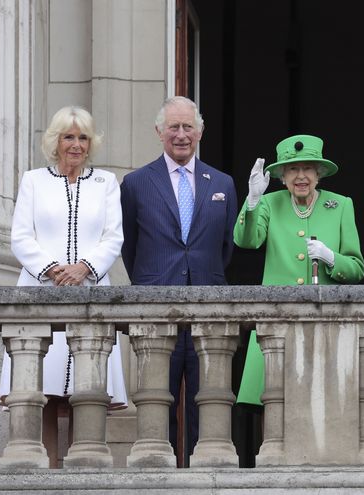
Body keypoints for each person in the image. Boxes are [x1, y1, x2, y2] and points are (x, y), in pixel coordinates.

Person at [0, 105, 127, 467]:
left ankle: (85, 473)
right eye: (69, 137)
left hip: (90, 291)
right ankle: (49, 472)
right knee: (45, 389)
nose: (76, 144)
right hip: (42, 291)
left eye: (82, 137)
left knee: (86, 391)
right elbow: (21, 237)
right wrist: (53, 269)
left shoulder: (105, 183)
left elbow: (113, 237)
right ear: (55, 141)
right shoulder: (33, 181)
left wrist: (84, 267)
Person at [120, 96, 238, 465]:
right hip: (156, 310)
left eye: (188, 127)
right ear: (160, 132)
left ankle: (204, 478)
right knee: (157, 401)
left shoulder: (222, 183)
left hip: (208, 309)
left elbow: (226, 246)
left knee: (208, 401)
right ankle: (160, 476)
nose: (182, 134)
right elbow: (129, 245)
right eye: (174, 127)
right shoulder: (136, 183)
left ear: (200, 132)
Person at [234, 133, 364, 409]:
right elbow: (247, 241)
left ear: (319, 173)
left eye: (308, 168)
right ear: (283, 175)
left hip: (324, 322)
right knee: (273, 401)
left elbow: (356, 269)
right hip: (276, 321)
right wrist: (253, 200)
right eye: (293, 169)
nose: (301, 176)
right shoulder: (271, 203)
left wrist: (331, 258)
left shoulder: (340, 205)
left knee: (323, 404)